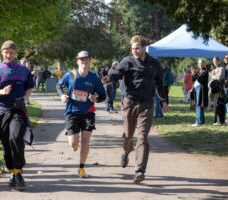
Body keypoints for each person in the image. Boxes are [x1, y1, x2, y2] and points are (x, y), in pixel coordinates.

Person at [102, 35, 168, 184]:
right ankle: (126, 152)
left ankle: (140, 170)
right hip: (130, 103)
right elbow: (116, 73)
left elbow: (159, 82)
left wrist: (163, 100)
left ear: (144, 48)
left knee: (143, 136)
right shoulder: (128, 61)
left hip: (146, 104)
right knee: (128, 136)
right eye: (133, 49)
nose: (135, 51)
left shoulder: (154, 63)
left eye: (137, 48)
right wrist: (108, 78)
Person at [0, 40, 34, 187]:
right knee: (6, 144)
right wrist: (2, 91)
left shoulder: (23, 70)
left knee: (15, 137)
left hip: (18, 111)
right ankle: (12, 172)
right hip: (2, 111)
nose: (9, 54)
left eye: (11, 52)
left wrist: (24, 99)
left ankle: (18, 170)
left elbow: (29, 88)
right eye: (6, 52)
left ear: (15, 53)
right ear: (2, 53)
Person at [56, 50, 106, 178]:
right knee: (74, 143)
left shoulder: (94, 78)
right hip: (72, 112)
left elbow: (103, 96)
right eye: (82, 59)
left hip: (88, 113)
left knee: (86, 140)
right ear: (78, 61)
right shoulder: (70, 75)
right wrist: (62, 96)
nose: (84, 61)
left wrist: (96, 100)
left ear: (89, 61)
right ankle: (74, 142)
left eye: (87, 59)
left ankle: (81, 168)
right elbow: (59, 85)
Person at [190, 59, 209, 126]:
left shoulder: (205, 71)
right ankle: (201, 121)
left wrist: (195, 74)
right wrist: (193, 73)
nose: (200, 64)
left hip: (202, 90)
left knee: (199, 105)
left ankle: (198, 122)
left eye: (201, 63)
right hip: (196, 89)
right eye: (199, 63)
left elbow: (201, 80)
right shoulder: (198, 71)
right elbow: (193, 79)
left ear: (204, 64)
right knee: (198, 105)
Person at [209, 57, 225, 125]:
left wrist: (212, 75)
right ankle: (216, 121)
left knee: (220, 105)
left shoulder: (221, 68)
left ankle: (220, 121)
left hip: (220, 89)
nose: (215, 62)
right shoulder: (215, 69)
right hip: (215, 89)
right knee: (216, 104)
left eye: (216, 61)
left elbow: (219, 78)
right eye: (214, 61)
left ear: (219, 61)